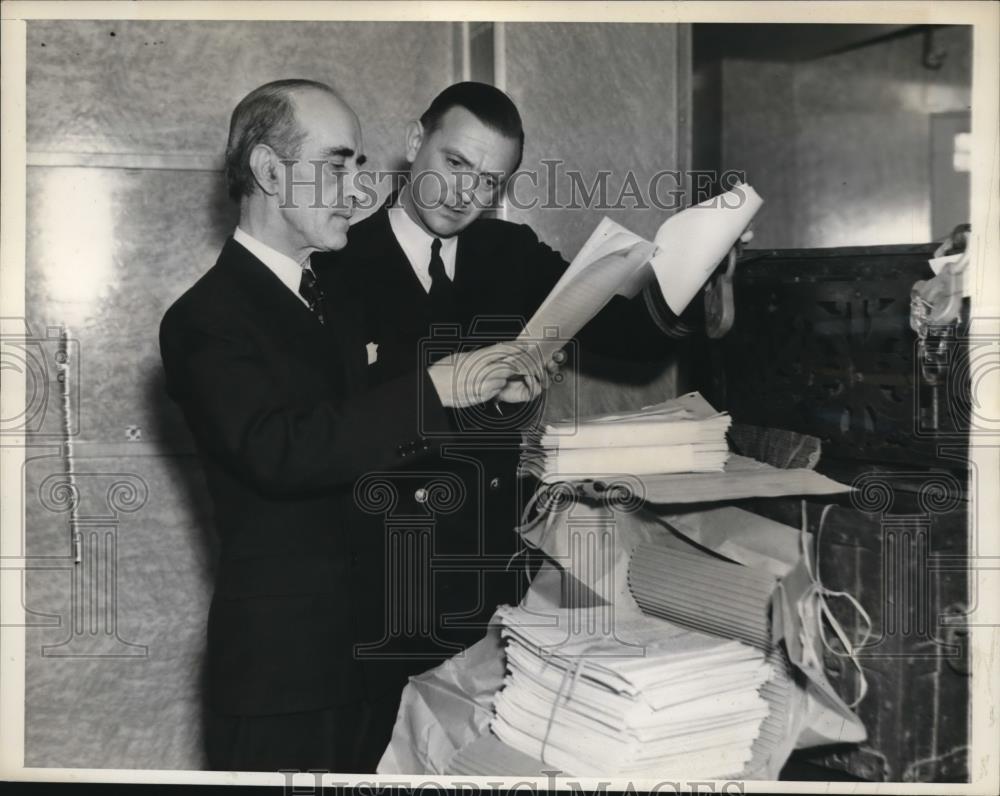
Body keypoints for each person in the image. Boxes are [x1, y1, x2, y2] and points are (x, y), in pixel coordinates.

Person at [158, 79, 542, 774]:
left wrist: (486, 392)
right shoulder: (206, 318)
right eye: (337, 164)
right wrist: (434, 387)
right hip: (285, 680)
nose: (358, 187)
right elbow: (283, 450)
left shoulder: (327, 300)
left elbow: (376, 428)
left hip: (372, 658)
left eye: (360, 165)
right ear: (270, 172)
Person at [312, 82, 674, 714]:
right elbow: (327, 432)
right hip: (378, 587)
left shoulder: (511, 253)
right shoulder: (335, 264)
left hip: (490, 584)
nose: (466, 195)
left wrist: (703, 267)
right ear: (413, 142)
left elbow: (636, 342)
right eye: (455, 164)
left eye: (489, 182)